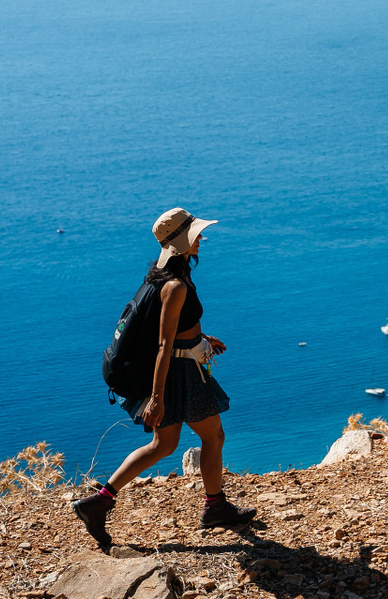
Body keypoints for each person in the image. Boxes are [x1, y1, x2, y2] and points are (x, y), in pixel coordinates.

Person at [72, 207, 255, 548]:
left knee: (164, 445)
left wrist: (202, 338)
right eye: (195, 234)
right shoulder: (175, 285)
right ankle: (215, 507)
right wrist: (156, 399)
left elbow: (171, 326)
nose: (201, 238)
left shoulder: (162, 275)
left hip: (181, 365)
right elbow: (163, 343)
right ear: (181, 242)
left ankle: (99, 502)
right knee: (213, 436)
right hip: (180, 373)